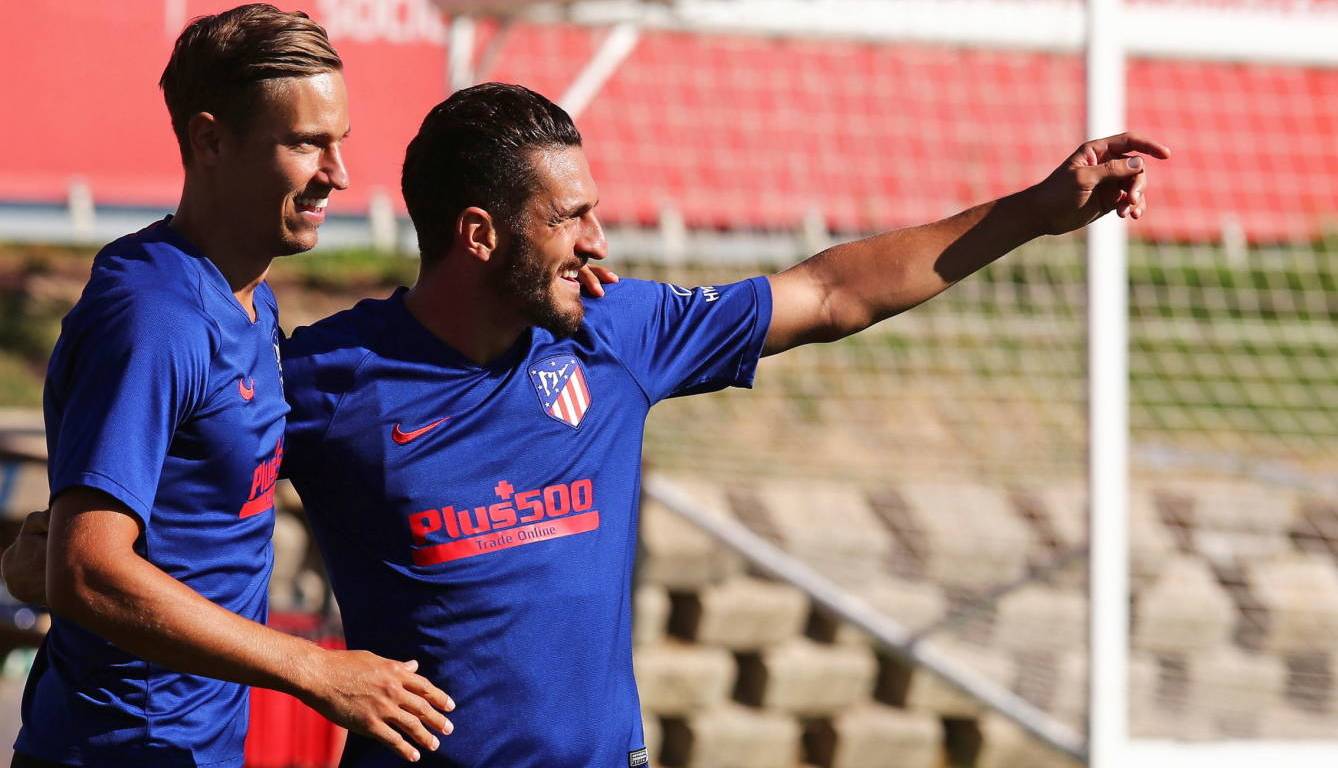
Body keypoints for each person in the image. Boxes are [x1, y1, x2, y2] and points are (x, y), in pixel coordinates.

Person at [278, 82, 1169, 766]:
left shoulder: (613, 333)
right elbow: (193, 546)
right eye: (570, 218)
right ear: (479, 235)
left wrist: (1036, 212)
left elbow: (830, 293)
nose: (597, 242)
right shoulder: (326, 378)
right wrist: (313, 669)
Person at [2, 6, 466, 766]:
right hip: (122, 749)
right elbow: (88, 569)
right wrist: (317, 670)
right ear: (210, 140)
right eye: (307, 144)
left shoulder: (251, 299)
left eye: (340, 142)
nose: (338, 174)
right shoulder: (154, 318)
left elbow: (136, 523)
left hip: (201, 746)